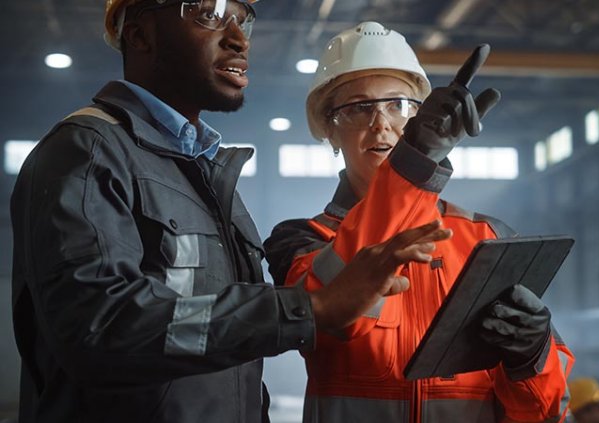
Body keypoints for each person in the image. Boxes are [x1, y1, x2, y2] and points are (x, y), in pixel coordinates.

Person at [9, 3, 452, 423]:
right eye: (210, 14)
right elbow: (100, 329)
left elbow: (215, 340)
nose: (240, 39)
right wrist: (308, 308)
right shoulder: (88, 152)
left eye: (244, 19)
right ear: (140, 34)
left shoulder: (202, 175)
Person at [264, 21, 575, 423]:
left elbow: (544, 414)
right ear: (329, 130)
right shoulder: (302, 240)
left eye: (398, 105)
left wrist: (532, 357)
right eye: (359, 108)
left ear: (420, 115)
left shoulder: (488, 237)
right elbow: (331, 317)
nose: (382, 123)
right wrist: (415, 162)